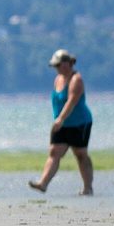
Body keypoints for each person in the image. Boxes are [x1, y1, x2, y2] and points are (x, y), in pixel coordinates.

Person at [29, 49, 94, 195]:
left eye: (58, 65)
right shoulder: (58, 79)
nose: (56, 68)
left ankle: (88, 187)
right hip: (61, 124)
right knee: (54, 152)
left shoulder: (76, 79)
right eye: (55, 66)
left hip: (79, 123)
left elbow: (72, 101)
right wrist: (58, 120)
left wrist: (60, 119)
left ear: (67, 64)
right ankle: (43, 183)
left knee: (81, 154)